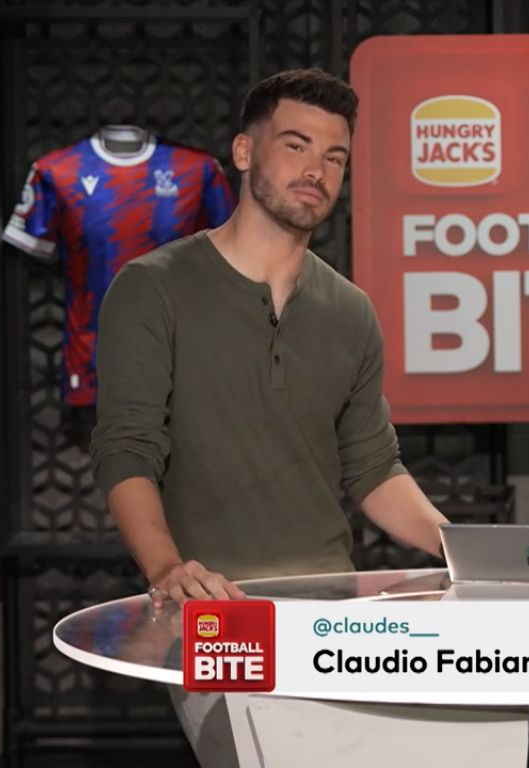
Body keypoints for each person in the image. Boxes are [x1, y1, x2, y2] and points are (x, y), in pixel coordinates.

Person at [90, 68, 450, 767]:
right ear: (245, 151)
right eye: (296, 145)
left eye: (335, 157)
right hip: (217, 612)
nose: (316, 170)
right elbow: (126, 449)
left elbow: (374, 467)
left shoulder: (350, 311)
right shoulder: (152, 288)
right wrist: (168, 568)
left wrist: (461, 549)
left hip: (335, 615)